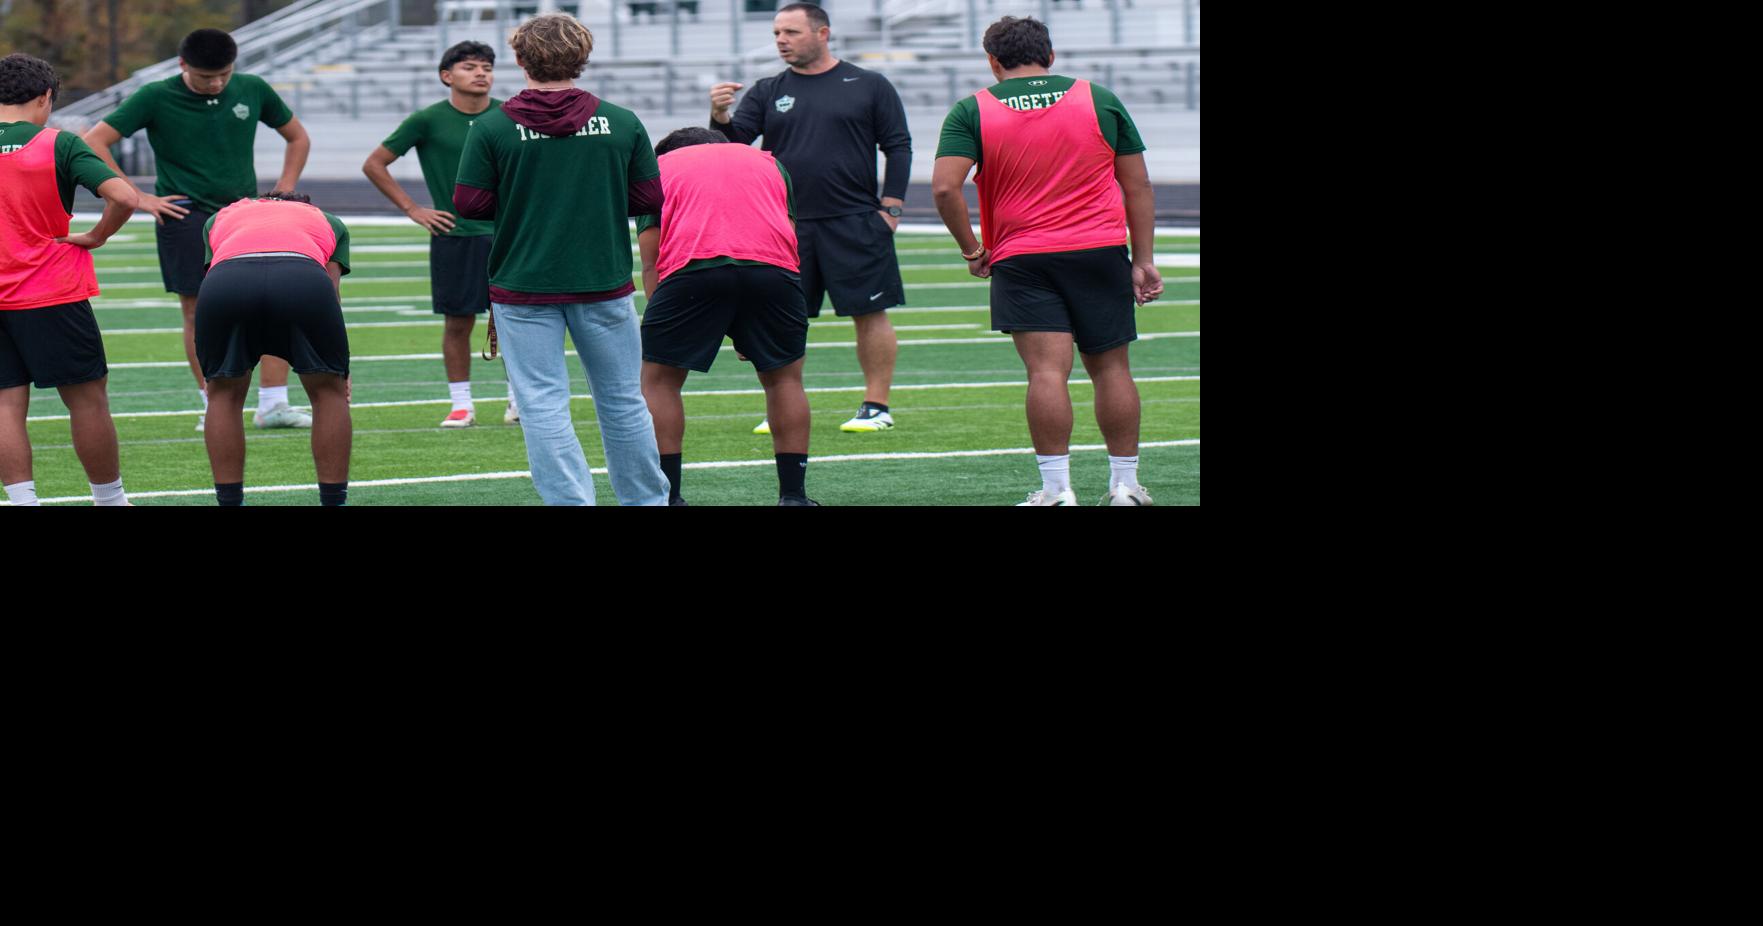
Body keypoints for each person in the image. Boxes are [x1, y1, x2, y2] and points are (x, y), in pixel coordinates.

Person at [930, 16, 1162, 506]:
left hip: (1023, 255)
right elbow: (1137, 184)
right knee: (1112, 368)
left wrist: (972, 249)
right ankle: (1124, 486)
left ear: (993, 61)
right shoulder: (1098, 98)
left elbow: (945, 187)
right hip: (1098, 250)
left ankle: (1057, 491)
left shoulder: (971, 109)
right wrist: (1143, 259)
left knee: (1046, 373)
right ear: (1051, 55)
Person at [453, 12, 669, 506]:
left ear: (519, 58)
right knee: (622, 402)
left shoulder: (492, 126)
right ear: (583, 57)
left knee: (542, 404)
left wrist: (528, 195)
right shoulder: (621, 120)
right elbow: (647, 198)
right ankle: (646, 500)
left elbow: (469, 204)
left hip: (523, 281)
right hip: (603, 279)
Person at [82, 28, 314, 434]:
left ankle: (274, 404)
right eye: (207, 77)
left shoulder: (252, 88)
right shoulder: (155, 96)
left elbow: (297, 136)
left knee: (271, 302)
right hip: (184, 215)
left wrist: (287, 188)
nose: (217, 83)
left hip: (246, 213)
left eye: (224, 74)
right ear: (183, 65)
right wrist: (137, 196)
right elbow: (95, 141)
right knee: (199, 311)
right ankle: (212, 402)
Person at [708, 2, 911, 435]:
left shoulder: (869, 84)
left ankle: (876, 405)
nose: (781, 40)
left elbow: (898, 146)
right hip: (784, 224)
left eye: (791, 32)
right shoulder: (767, 90)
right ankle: (782, 405)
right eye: (778, 32)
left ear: (822, 33)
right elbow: (734, 145)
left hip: (856, 221)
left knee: (870, 314)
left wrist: (891, 208)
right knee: (781, 316)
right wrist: (721, 116)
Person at [635, 127, 817, 507]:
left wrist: (659, 321)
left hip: (692, 270)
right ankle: (794, 496)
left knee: (660, 380)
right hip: (774, 272)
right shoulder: (768, 162)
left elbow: (652, 259)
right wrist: (748, 331)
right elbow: (789, 234)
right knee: (784, 378)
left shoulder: (659, 167)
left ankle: (669, 497)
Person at [0, 53, 137, 508]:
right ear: (44, 98)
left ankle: (23, 502)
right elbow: (123, 196)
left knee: (4, 405)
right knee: (86, 401)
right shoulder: (58, 142)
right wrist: (97, 236)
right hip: (50, 290)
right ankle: (110, 500)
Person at [363, 41, 522, 430]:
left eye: (486, 67)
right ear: (446, 76)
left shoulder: (511, 114)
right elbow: (375, 164)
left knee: (518, 319)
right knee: (458, 322)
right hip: (456, 236)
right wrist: (413, 209)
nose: (481, 73)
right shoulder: (427, 120)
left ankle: (519, 400)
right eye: (470, 67)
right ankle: (461, 404)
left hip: (509, 235)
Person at [196, 193, 351, 506]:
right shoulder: (327, 219)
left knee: (223, 394)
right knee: (328, 393)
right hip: (302, 278)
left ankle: (229, 501)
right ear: (308, 204)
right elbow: (331, 291)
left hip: (228, 281)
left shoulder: (222, 215)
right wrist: (340, 369)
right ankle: (334, 501)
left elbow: (215, 267)